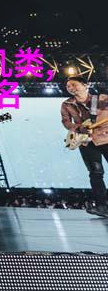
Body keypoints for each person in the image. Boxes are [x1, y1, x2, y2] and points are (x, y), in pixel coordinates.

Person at [61, 76, 108, 218]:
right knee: (95, 172)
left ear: (85, 85)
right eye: (68, 86)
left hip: (105, 138)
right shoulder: (67, 104)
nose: (70, 88)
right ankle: (102, 206)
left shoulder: (102, 99)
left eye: (73, 85)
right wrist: (78, 128)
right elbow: (66, 121)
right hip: (86, 141)